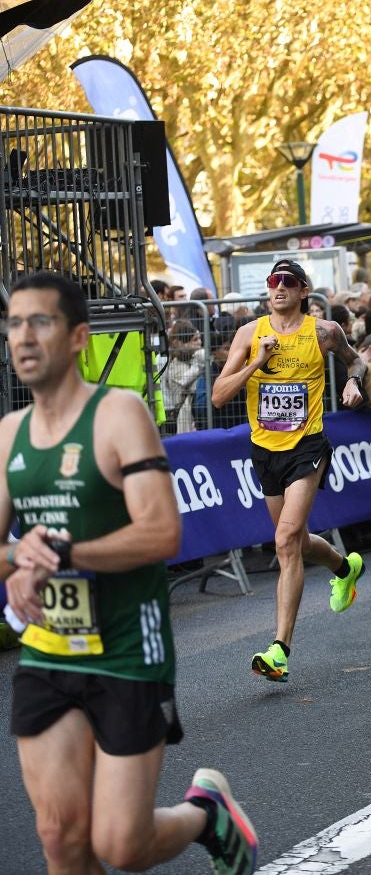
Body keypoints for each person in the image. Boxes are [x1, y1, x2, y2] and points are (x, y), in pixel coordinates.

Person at [1, 272, 258, 874]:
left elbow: (161, 532)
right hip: (48, 653)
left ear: (77, 339)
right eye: (14, 324)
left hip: (125, 650)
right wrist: (18, 558)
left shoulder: (119, 414)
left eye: (41, 322)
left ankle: (206, 813)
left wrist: (62, 552)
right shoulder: (9, 435)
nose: (24, 337)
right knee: (61, 836)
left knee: (121, 845)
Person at [211, 259, 367, 683]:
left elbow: (357, 362)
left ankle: (279, 649)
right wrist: (254, 364)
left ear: (302, 291)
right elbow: (219, 395)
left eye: (289, 282)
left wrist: (354, 383)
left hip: (307, 446)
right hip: (265, 450)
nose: (279, 288)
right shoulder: (249, 334)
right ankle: (344, 568)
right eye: (273, 282)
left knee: (283, 541)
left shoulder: (323, 332)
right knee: (294, 542)